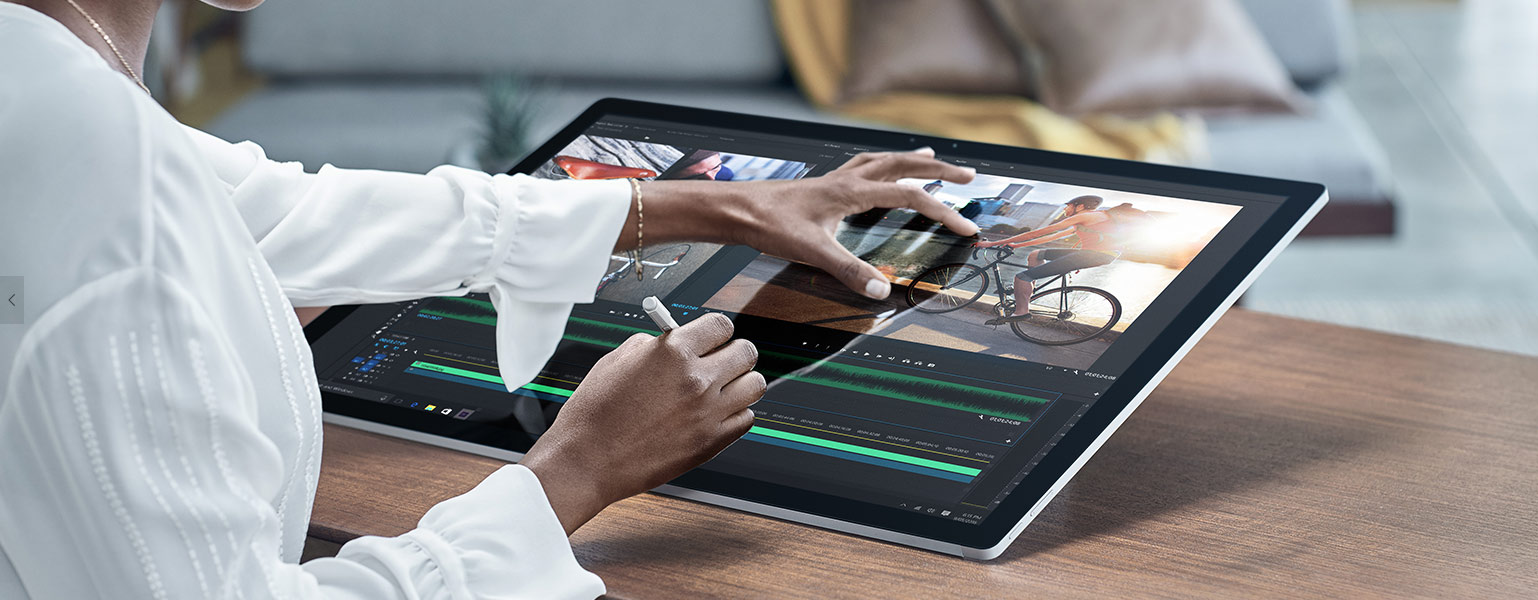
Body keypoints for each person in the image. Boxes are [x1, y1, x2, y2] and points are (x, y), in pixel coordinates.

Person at [0, 1, 980, 597]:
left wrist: (727, 206)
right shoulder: (104, 177)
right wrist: (578, 471)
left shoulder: (42, 78)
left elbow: (285, 211)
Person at [974, 195, 1126, 324]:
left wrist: (992, 243)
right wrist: (1016, 245)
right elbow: (1051, 237)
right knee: (1036, 254)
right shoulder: (1093, 218)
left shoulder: (1086, 216)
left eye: (1068, 206)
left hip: (1095, 254)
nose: (1065, 210)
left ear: (1079, 206)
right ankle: (1027, 293)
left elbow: (1039, 232)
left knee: (1021, 277)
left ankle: (1021, 312)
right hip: (1095, 253)